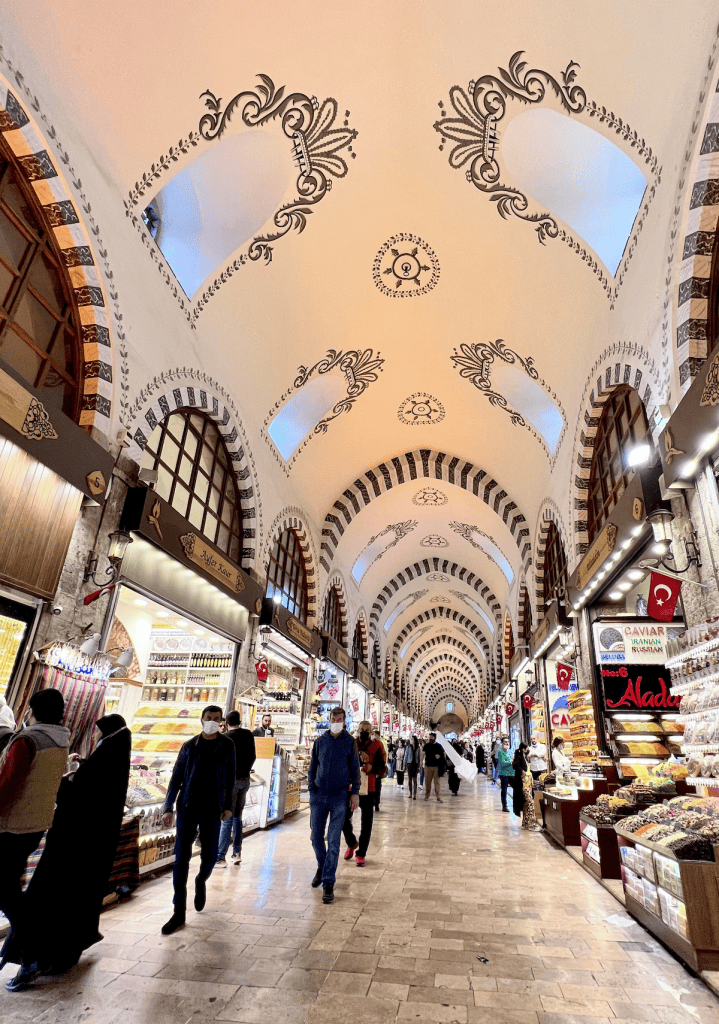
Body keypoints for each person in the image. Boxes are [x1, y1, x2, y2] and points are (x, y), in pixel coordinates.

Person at [1, 714, 131, 989]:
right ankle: (48, 954)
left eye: (97, 732)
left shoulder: (29, 741)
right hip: (83, 847)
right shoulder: (111, 756)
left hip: (72, 845)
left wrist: (60, 783)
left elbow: (82, 794)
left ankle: (32, 956)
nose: (94, 736)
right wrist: (78, 769)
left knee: (43, 897)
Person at [0, 688, 70, 992]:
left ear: (33, 710)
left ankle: (30, 956)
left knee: (8, 895)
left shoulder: (28, 740)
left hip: (11, 825)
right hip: (36, 824)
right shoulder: (61, 740)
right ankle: (25, 950)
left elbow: (8, 785)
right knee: (11, 891)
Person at [160, 705, 235, 935]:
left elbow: (231, 777)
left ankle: (201, 880)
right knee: (180, 860)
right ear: (201, 721)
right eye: (208, 718)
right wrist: (168, 807)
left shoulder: (227, 746)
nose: (211, 721)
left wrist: (229, 806)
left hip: (213, 809)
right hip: (187, 808)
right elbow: (176, 778)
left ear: (221, 722)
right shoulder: (189, 746)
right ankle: (178, 912)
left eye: (216, 718)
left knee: (210, 856)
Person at [309, 707, 360, 905]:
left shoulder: (349, 743)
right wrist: (312, 791)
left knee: (333, 839)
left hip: (340, 796)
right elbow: (313, 767)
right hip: (319, 795)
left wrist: (354, 792)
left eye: (340, 719)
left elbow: (355, 768)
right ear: (329, 720)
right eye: (334, 718)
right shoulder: (320, 742)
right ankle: (323, 867)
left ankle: (328, 882)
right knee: (315, 837)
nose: (336, 721)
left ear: (344, 721)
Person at [342, 720, 385, 867]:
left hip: (369, 787)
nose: (364, 730)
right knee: (343, 818)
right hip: (351, 787)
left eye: (367, 728)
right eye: (362, 728)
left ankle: (361, 854)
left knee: (366, 823)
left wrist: (372, 767)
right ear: (358, 729)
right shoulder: (351, 743)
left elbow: (383, 767)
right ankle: (352, 842)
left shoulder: (377, 745)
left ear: (371, 730)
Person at [216, 709, 256, 868]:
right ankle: (237, 853)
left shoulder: (224, 738)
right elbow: (253, 756)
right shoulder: (248, 735)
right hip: (245, 780)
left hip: (230, 783)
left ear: (226, 723)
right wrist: (245, 770)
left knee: (227, 818)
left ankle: (220, 857)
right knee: (237, 817)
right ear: (240, 721)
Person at [422, 732, 444, 802]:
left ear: (434, 738)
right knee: (428, 781)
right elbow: (423, 754)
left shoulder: (439, 746)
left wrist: (439, 756)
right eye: (430, 737)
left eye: (431, 737)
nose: (430, 738)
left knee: (437, 782)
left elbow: (443, 755)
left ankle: (438, 796)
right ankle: (427, 795)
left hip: (436, 767)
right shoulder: (426, 745)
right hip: (428, 766)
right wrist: (420, 762)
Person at [497, 737, 514, 812]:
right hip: (504, 773)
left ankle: (516, 805)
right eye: (505, 742)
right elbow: (502, 763)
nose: (507, 743)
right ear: (502, 743)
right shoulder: (500, 752)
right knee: (504, 790)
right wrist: (510, 762)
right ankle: (504, 806)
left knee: (515, 789)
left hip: (511, 773)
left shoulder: (510, 751)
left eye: (508, 742)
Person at [372, 730, 387, 810]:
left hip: (377, 769)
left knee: (377, 788)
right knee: (372, 788)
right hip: (370, 770)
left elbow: (383, 757)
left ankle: (376, 803)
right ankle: (373, 803)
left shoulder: (380, 744)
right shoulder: (369, 743)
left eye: (374, 734)